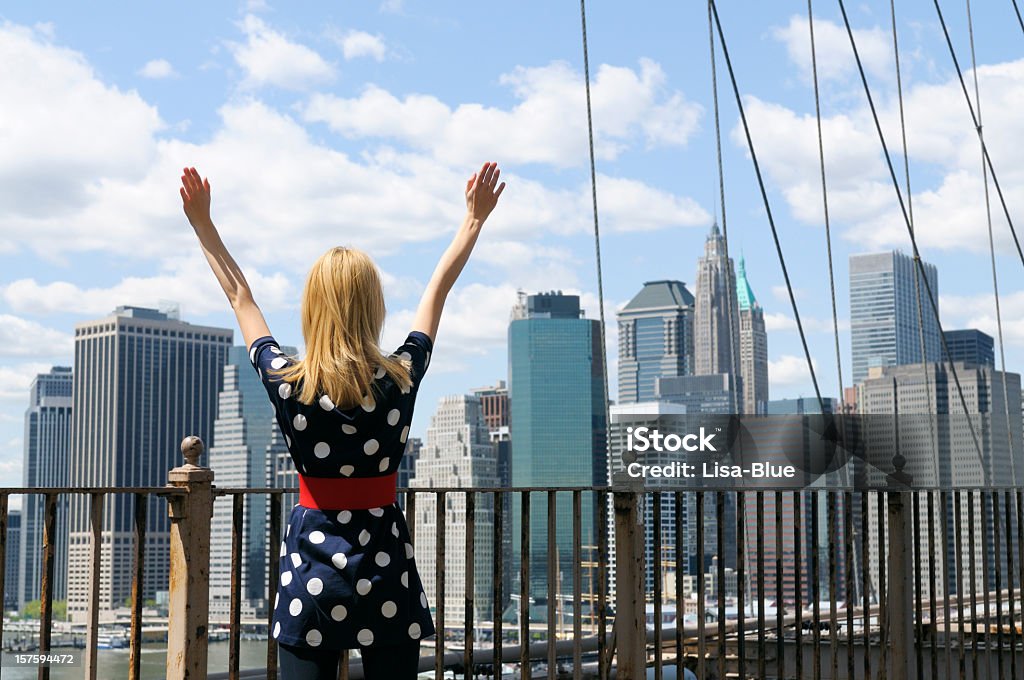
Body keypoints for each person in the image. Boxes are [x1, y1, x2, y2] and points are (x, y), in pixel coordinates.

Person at [180, 162, 506, 679]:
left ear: (312, 308)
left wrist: (202, 224)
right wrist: (473, 220)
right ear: (374, 306)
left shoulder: (287, 381)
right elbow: (436, 291)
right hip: (386, 566)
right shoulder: (401, 377)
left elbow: (240, 296)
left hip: (312, 567)